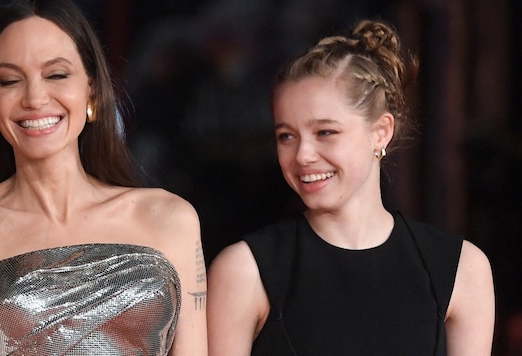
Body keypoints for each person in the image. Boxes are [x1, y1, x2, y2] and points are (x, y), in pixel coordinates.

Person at [0, 0, 207, 355]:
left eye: (56, 75)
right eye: (10, 80)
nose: (35, 98)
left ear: (92, 89)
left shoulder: (170, 218)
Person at [207, 19, 494, 355]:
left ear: (381, 132)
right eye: (287, 136)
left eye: (325, 132)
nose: (302, 155)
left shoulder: (461, 268)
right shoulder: (244, 270)